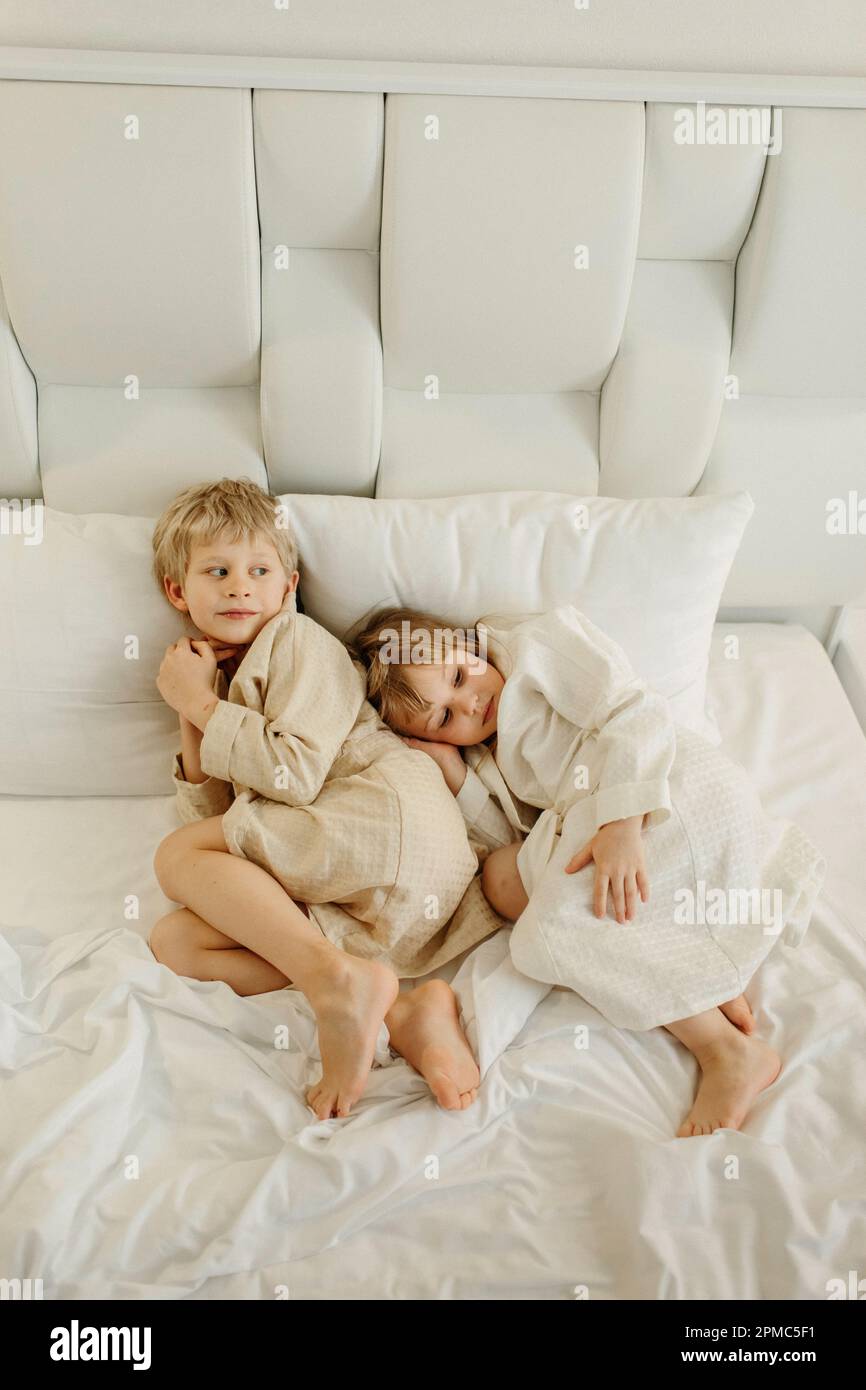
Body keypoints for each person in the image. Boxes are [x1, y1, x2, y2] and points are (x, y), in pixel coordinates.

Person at [351, 604, 826, 1137]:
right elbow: (512, 838)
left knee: (552, 929)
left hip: (665, 787)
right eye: (444, 718)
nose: (470, 702)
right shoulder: (482, 751)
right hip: (591, 823)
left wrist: (622, 822)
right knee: (515, 888)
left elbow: (632, 708)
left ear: (462, 642)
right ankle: (704, 971)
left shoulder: (536, 647)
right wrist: (458, 778)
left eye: (459, 676)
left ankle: (724, 1049)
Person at [148, 479, 495, 1121]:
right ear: (178, 591)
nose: (238, 586)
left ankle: (337, 984)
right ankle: (403, 1008)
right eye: (216, 571)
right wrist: (190, 709)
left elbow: (294, 776)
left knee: (173, 859)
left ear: (289, 587)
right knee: (176, 943)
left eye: (259, 570)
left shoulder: (299, 643)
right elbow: (223, 829)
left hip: (386, 820)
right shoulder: (220, 677)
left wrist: (199, 704)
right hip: (377, 892)